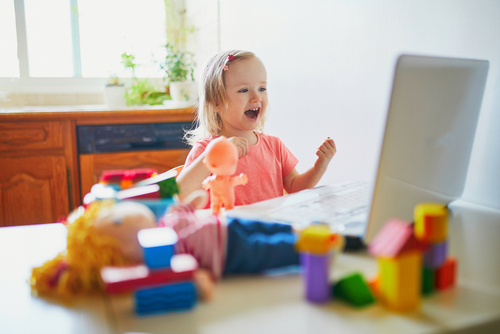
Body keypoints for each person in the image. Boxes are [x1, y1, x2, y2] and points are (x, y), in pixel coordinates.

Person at [176, 50, 337, 207]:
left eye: (262, 89)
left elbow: (296, 187)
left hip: (269, 230)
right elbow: (179, 194)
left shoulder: (274, 146)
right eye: (244, 90)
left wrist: (320, 166)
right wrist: (213, 155)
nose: (256, 97)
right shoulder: (208, 150)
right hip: (228, 232)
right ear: (216, 102)